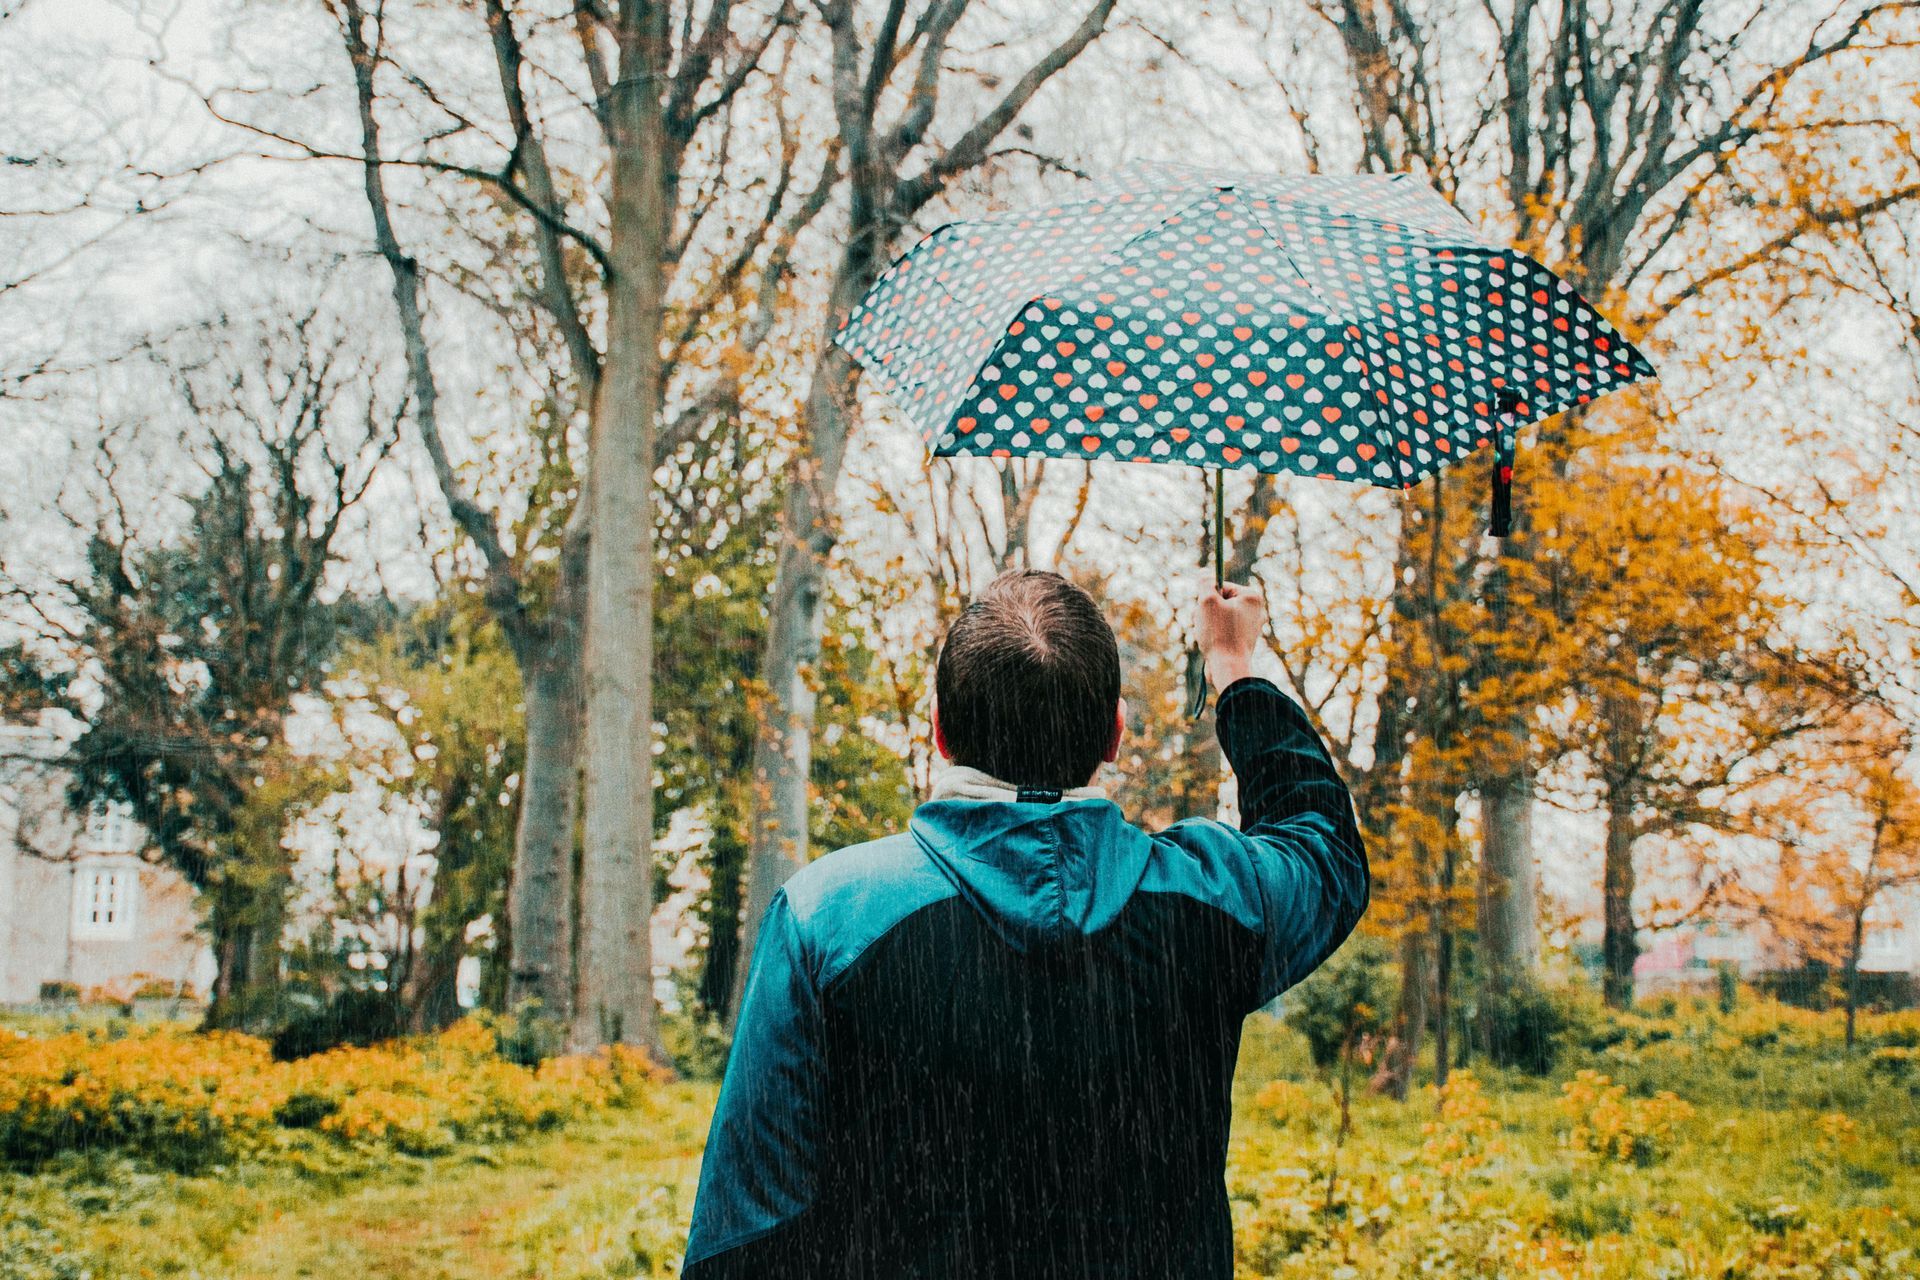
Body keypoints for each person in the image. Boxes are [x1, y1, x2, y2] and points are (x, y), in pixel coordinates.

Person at [682, 571, 1369, 1279]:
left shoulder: (827, 919)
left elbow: (747, 1234)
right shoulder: (1216, 902)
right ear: (1115, 734)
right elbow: (1322, 846)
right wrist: (1234, 669)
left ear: (941, 731)